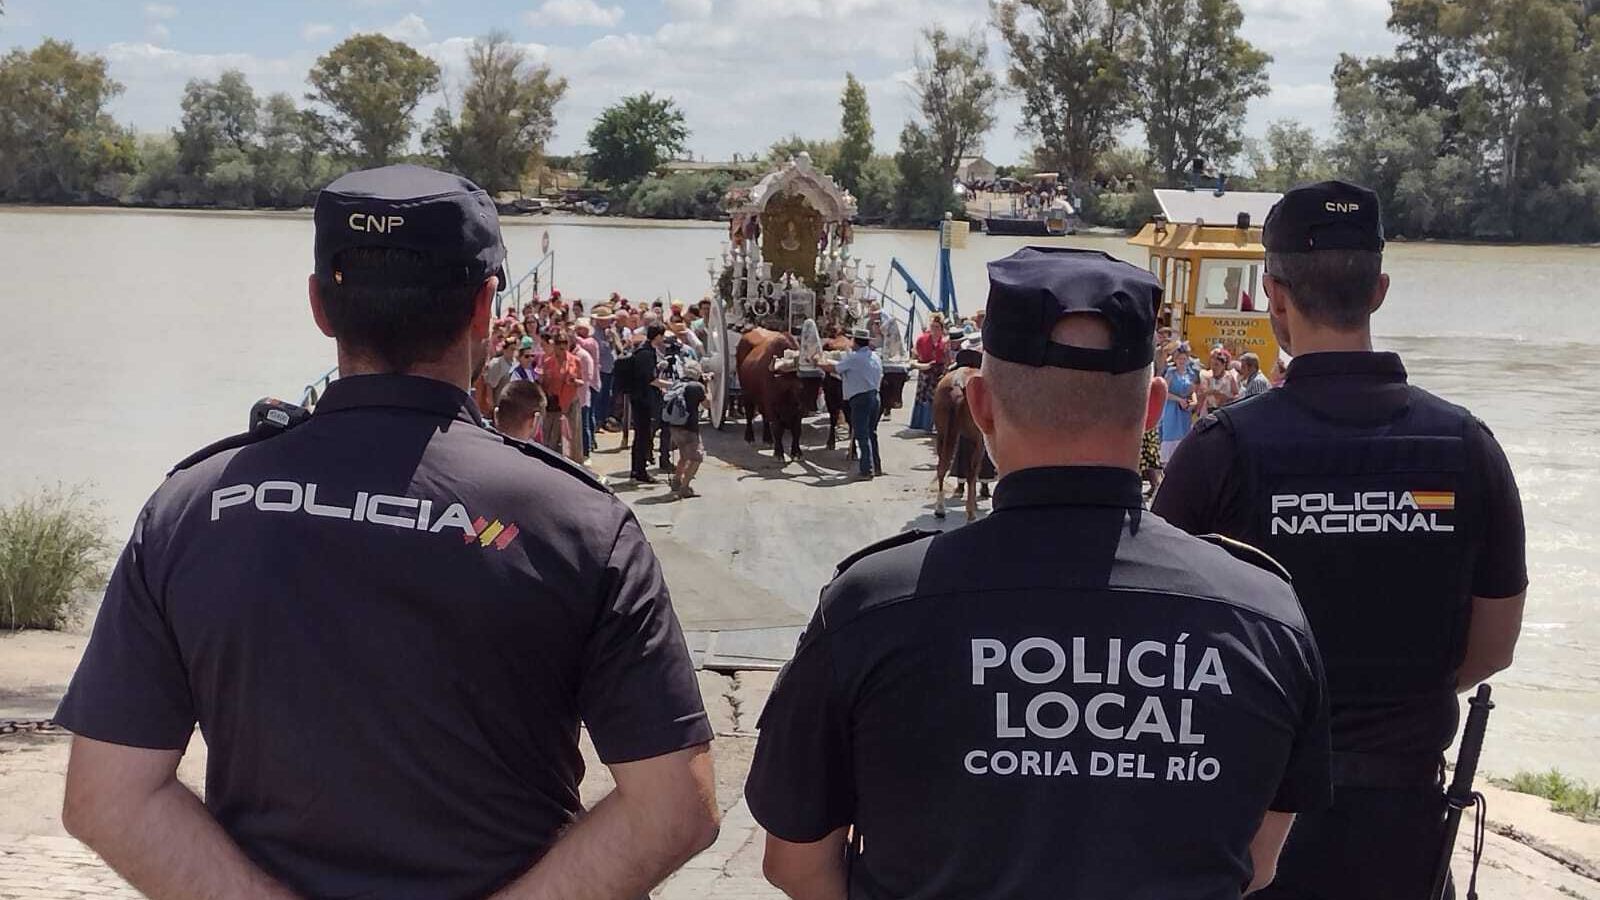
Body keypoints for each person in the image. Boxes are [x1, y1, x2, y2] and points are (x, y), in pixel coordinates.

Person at [53, 164, 719, 900]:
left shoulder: (190, 509)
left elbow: (108, 798)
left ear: (320, 306)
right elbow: (675, 808)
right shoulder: (581, 524)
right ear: (485, 307)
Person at [747, 246, 1330, 900]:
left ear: (981, 405)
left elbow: (795, 863)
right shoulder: (1264, 612)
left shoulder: (870, 606)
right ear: (1150, 409)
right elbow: (1258, 864)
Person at [1154, 181, 1527, 900]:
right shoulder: (1466, 448)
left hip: (1253, 831)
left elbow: (1151, 628)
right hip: (1406, 837)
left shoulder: (1223, 450)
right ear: (1379, 290)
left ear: (1275, 296)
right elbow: (1495, 647)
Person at [817, 327, 884, 477]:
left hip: (860, 399)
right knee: (872, 433)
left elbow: (834, 368)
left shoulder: (854, 358)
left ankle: (867, 470)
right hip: (875, 397)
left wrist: (818, 363)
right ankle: (877, 466)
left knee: (861, 434)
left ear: (855, 342)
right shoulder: (875, 357)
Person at [628, 323, 669, 483]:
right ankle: (640, 472)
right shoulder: (646, 353)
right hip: (642, 399)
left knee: (641, 435)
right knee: (642, 436)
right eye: (662, 336)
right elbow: (650, 380)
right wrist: (670, 385)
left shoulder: (644, 350)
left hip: (640, 397)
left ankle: (636, 469)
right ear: (658, 336)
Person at [539, 329, 585, 463]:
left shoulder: (575, 360)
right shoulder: (548, 362)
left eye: (565, 342)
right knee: (553, 436)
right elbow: (544, 384)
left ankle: (574, 462)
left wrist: (574, 381)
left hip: (570, 401)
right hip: (554, 403)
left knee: (572, 435)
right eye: (559, 342)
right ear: (554, 344)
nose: (562, 346)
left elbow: (582, 381)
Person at [665, 360, 708, 499]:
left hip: (674, 426)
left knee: (684, 455)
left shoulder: (677, 384)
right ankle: (684, 487)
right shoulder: (697, 387)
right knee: (697, 457)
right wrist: (707, 385)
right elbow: (708, 404)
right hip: (689, 427)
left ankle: (676, 481)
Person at [1159, 341, 1199, 462]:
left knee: (1183, 438)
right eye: (1180, 359)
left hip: (1184, 411)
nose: (1182, 361)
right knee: (1170, 437)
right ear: (1175, 360)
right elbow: (1164, 392)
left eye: (1184, 359)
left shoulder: (1190, 375)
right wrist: (1179, 400)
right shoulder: (1171, 373)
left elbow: (1193, 393)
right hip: (1171, 409)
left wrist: (1193, 403)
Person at [909, 313, 949, 431]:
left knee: (936, 398)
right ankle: (920, 424)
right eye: (933, 327)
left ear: (942, 329)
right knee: (922, 397)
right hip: (925, 369)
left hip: (939, 372)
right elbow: (913, 357)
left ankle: (934, 424)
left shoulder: (945, 341)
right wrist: (920, 365)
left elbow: (947, 359)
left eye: (937, 327)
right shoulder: (922, 339)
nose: (935, 330)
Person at [572, 321, 599, 459]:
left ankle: (587, 450)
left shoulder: (587, 348)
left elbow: (587, 378)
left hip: (585, 392)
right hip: (573, 396)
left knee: (585, 423)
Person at [1198, 345, 1240, 415]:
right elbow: (1200, 394)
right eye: (1212, 364)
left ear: (1224, 365)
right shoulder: (1206, 375)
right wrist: (1211, 392)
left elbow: (1237, 395)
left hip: (1225, 412)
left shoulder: (1230, 377)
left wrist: (1227, 398)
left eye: (1217, 365)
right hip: (1208, 412)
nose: (1214, 367)